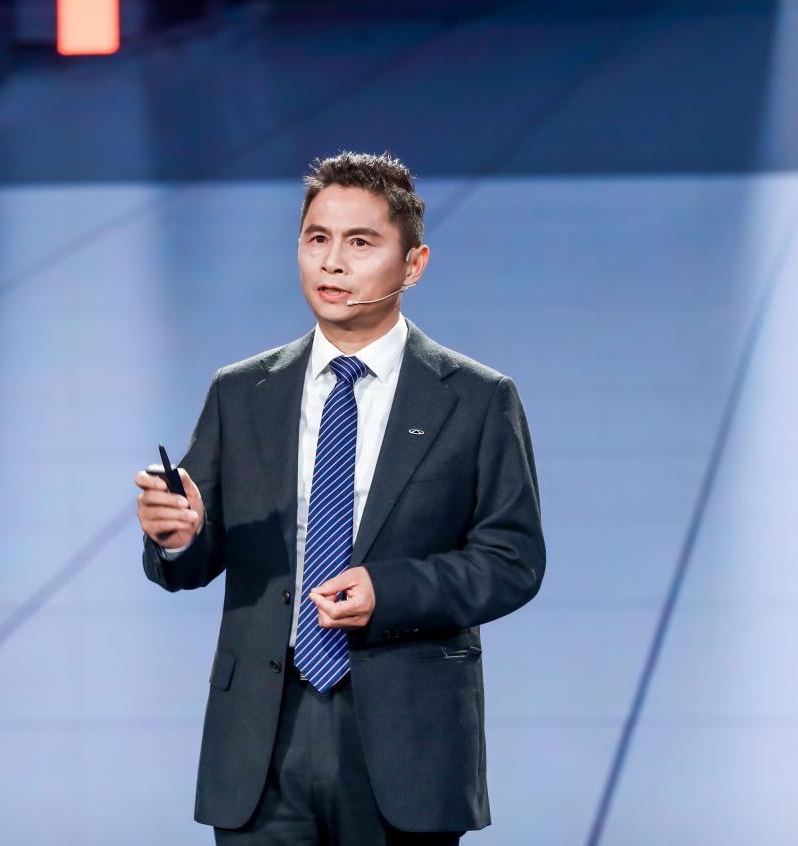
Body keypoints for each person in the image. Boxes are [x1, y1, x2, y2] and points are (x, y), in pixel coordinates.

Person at [134, 151, 545, 845]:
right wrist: (176, 537)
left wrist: (390, 591)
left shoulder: (476, 399)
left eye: (360, 243)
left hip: (405, 740)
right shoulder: (242, 393)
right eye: (316, 238)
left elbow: (512, 561)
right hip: (261, 743)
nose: (332, 263)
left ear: (413, 265)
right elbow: (194, 558)